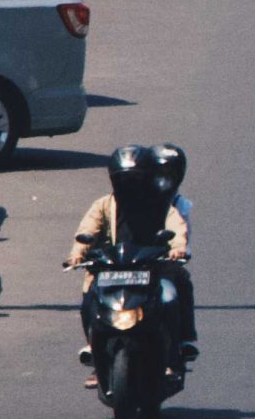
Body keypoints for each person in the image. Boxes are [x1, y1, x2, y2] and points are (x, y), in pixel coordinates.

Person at [67, 143, 197, 359]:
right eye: (124, 179)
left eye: (135, 179)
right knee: (90, 296)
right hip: (111, 266)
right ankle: (95, 348)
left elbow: (176, 225)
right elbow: (87, 229)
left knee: (172, 293)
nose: (130, 185)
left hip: (153, 265)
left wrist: (178, 248)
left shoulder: (160, 203)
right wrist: (78, 253)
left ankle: (178, 348)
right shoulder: (103, 205)